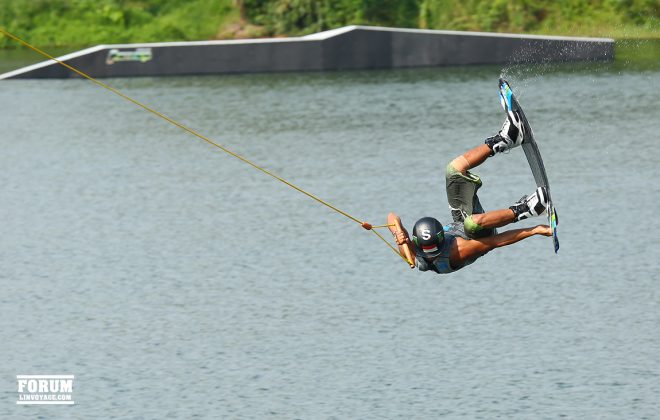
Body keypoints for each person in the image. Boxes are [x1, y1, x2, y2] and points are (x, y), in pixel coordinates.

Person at [388, 93, 552, 274]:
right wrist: (534, 230)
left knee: (453, 170)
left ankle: (507, 138)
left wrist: (398, 233)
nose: (432, 255)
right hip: (479, 236)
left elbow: (391, 217)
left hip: (459, 222)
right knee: (472, 224)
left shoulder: (410, 250)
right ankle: (530, 208)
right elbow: (496, 242)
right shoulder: (457, 252)